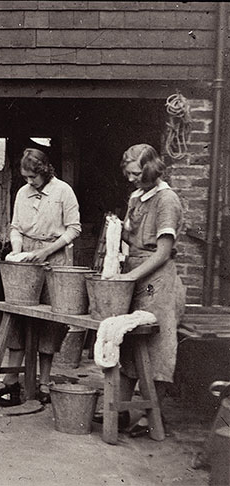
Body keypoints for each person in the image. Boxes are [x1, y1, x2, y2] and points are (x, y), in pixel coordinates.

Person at [104, 143, 186, 437]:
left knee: (157, 348)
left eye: (136, 174)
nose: (130, 179)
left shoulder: (167, 200)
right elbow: (131, 235)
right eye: (128, 174)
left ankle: (153, 416)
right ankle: (123, 411)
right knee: (127, 343)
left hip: (158, 280)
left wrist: (130, 277)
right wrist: (117, 229)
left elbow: (162, 252)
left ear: (151, 170)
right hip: (135, 275)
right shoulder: (136, 197)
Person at [0, 147, 81, 405]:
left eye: (33, 178)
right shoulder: (22, 193)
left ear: (44, 171)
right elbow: (16, 227)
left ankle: (44, 382)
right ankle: (10, 381)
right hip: (27, 257)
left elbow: (74, 229)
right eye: (26, 178)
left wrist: (46, 252)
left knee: (50, 321)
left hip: (54, 256)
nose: (29, 182)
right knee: (18, 316)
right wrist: (18, 253)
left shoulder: (63, 191)